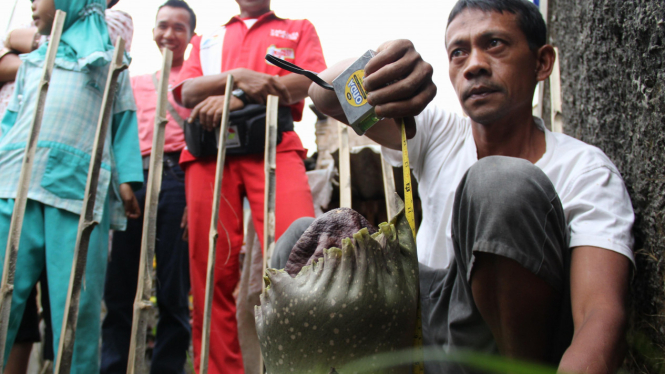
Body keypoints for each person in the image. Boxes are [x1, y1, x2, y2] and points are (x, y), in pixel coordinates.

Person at [308, 0, 633, 373]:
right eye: (458, 52)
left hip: (507, 353)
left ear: (542, 62)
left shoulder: (585, 170)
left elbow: (601, 316)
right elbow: (325, 95)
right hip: (424, 335)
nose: (474, 64)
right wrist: (376, 66)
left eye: (495, 44)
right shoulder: (434, 133)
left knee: (499, 183)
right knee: (313, 236)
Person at [173, 0, 326, 371]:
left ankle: (307, 365)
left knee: (302, 255)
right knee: (211, 272)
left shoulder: (298, 27)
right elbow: (186, 91)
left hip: (274, 145)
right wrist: (239, 77)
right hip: (211, 153)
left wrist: (234, 96)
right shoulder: (208, 38)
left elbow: (308, 80)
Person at [0, 0, 143, 373]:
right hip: (15, 185)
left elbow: (123, 117)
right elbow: (12, 118)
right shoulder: (35, 60)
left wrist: (126, 179)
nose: (32, 3)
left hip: (77, 193)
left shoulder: (108, 60)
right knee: (3, 291)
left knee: (75, 304)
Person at [100, 1, 195, 373]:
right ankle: (113, 366)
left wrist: (196, 199)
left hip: (178, 181)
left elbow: (206, 146)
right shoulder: (136, 82)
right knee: (119, 284)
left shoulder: (200, 82)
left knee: (173, 288)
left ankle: (167, 368)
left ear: (190, 35)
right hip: (133, 182)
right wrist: (123, 182)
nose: (168, 34)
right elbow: (118, 135)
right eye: (162, 26)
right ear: (153, 31)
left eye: (179, 27)